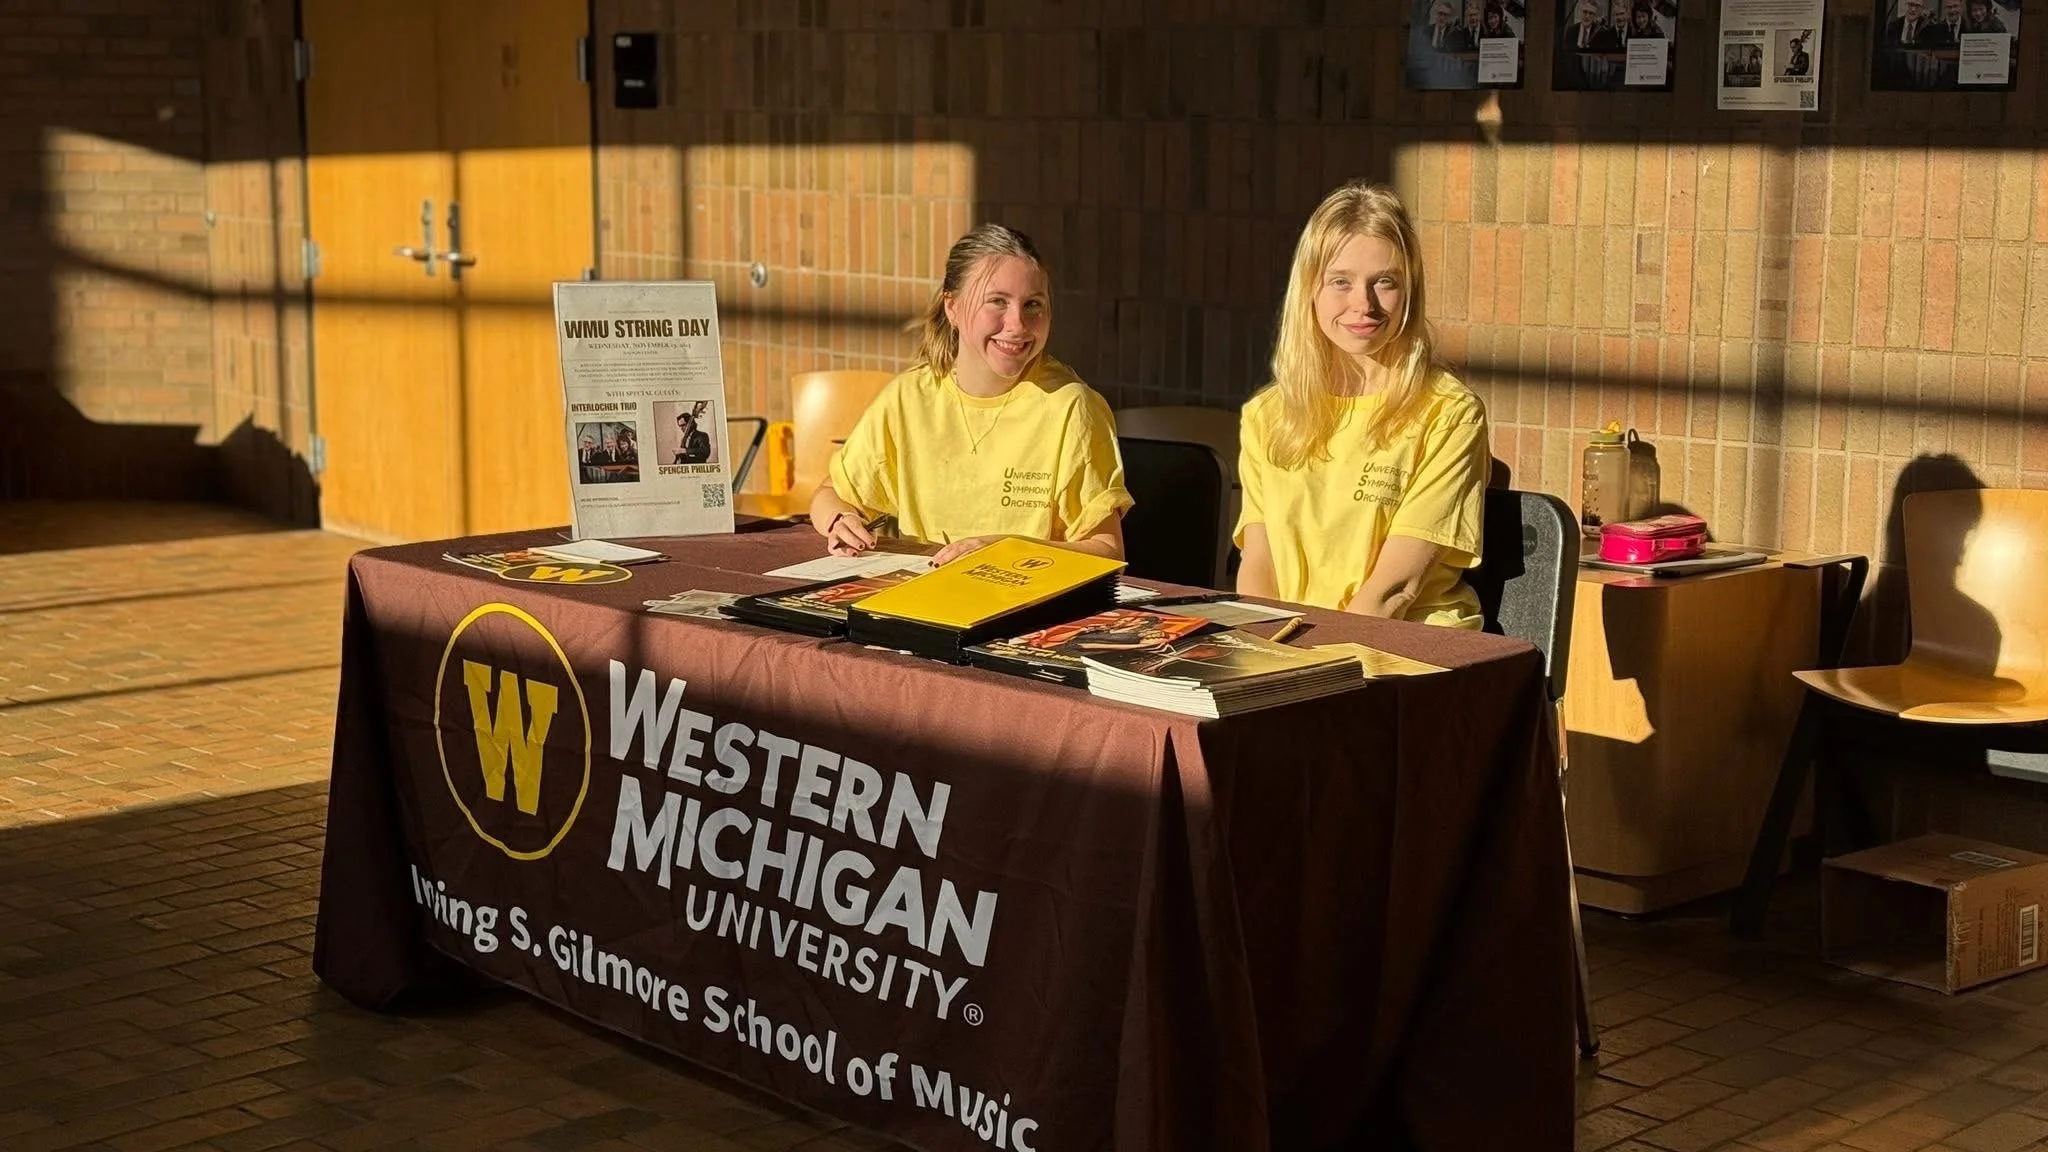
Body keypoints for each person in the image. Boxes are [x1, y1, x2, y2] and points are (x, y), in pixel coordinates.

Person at [1233, 181, 1489, 628]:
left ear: (1409, 292)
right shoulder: (1267, 416)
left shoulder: (1449, 413)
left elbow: (1394, 591)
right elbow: (1258, 569)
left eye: (1384, 282)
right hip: (1295, 645)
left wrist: (1316, 662)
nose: (1363, 304)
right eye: (1341, 282)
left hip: (1405, 645)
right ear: (1309, 290)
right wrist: (1259, 649)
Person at [809, 223, 1132, 565]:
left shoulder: (1072, 407)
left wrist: (1005, 549)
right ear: (952, 307)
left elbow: (1107, 551)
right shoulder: (908, 398)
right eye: (997, 301)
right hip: (927, 591)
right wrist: (841, 520)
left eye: (1033, 304)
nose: (1017, 324)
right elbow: (830, 494)